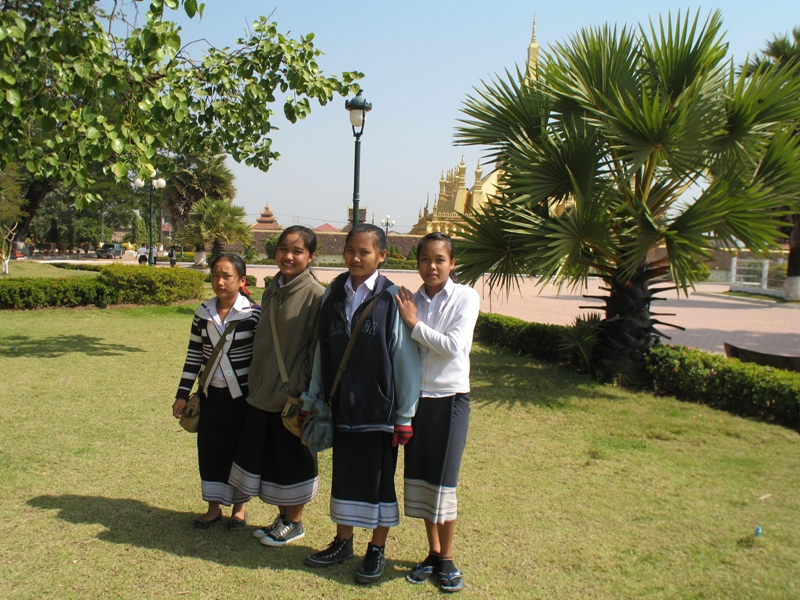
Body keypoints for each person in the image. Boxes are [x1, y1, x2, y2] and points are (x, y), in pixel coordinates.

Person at [302, 223, 420, 584]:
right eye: (350, 250)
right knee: (345, 477)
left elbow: (404, 359)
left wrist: (404, 416)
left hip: (380, 410)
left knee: (379, 482)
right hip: (342, 408)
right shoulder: (333, 294)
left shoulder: (393, 297)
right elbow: (323, 350)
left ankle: (377, 548)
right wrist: (313, 396)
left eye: (364, 252)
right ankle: (343, 541)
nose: (355, 257)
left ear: (382, 256)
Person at [394, 232, 480, 594]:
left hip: (450, 398)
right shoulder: (411, 299)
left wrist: (414, 323)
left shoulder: (465, 297)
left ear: (452, 263)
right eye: (425, 259)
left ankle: (447, 558)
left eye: (439, 260)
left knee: (444, 480)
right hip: (417, 402)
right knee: (422, 478)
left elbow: (452, 347)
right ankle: (431, 552)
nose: (432, 266)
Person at [228, 226, 324, 545]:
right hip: (262, 391)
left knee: (293, 460)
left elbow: (317, 350)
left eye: (298, 251)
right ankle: (283, 518)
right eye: (284, 249)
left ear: (311, 257)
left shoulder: (315, 295)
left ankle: (294, 522)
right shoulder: (273, 287)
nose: (289, 256)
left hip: (292, 396)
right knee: (274, 458)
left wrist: (303, 390)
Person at [172, 253, 261, 529]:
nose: (220, 282)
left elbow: (261, 355)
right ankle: (212, 508)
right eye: (215, 276)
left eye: (227, 276)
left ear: (242, 280)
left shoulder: (254, 314)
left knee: (239, 451)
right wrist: (182, 393)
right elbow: (193, 357)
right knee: (210, 450)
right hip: (212, 397)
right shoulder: (202, 313)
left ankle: (239, 509)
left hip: (243, 399)